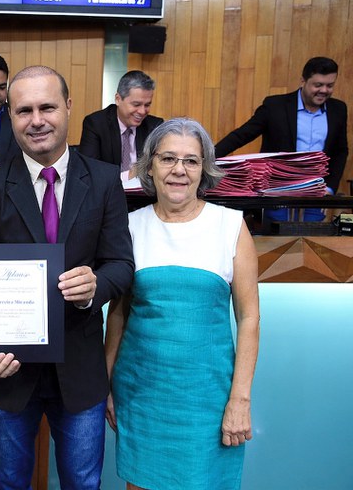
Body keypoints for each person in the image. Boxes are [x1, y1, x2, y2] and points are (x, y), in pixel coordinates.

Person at [0, 66, 134, 489]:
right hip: (8, 369)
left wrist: (95, 287)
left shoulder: (104, 180)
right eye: (24, 110)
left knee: (83, 483)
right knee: (11, 482)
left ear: (68, 107)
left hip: (80, 367)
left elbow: (120, 264)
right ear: (11, 116)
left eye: (47, 107)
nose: (36, 120)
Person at [105, 118, 260, 490]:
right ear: (150, 166)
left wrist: (240, 399)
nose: (179, 170)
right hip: (142, 396)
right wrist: (104, 384)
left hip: (207, 400)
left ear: (204, 169)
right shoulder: (130, 227)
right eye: (168, 158)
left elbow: (249, 318)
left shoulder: (231, 226)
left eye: (191, 160)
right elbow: (119, 314)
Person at [215, 56, 349, 221]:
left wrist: (330, 188)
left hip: (316, 192)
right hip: (277, 191)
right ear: (303, 81)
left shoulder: (338, 109)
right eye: (318, 85)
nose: (324, 90)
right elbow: (242, 135)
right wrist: (208, 157)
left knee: (311, 234)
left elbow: (340, 151)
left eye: (330, 85)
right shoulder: (275, 106)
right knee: (278, 233)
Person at [78, 70, 164, 180]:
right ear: (118, 99)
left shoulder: (155, 126)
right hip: (107, 188)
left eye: (147, 105)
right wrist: (128, 176)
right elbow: (88, 170)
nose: (142, 111)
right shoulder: (96, 124)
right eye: (136, 104)